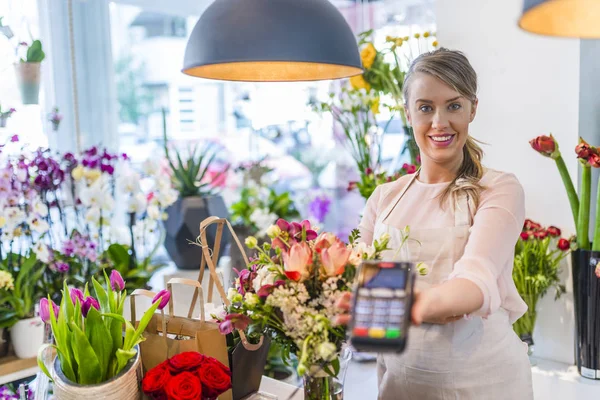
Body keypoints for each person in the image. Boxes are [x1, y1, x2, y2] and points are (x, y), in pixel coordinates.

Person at [336, 48, 533, 399]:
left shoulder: (499, 189)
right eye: (426, 107)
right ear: (408, 113)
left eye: (453, 105)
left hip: (484, 383)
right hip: (399, 385)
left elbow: (476, 280)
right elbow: (350, 283)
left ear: (473, 108)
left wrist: (413, 303)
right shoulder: (384, 197)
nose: (440, 122)